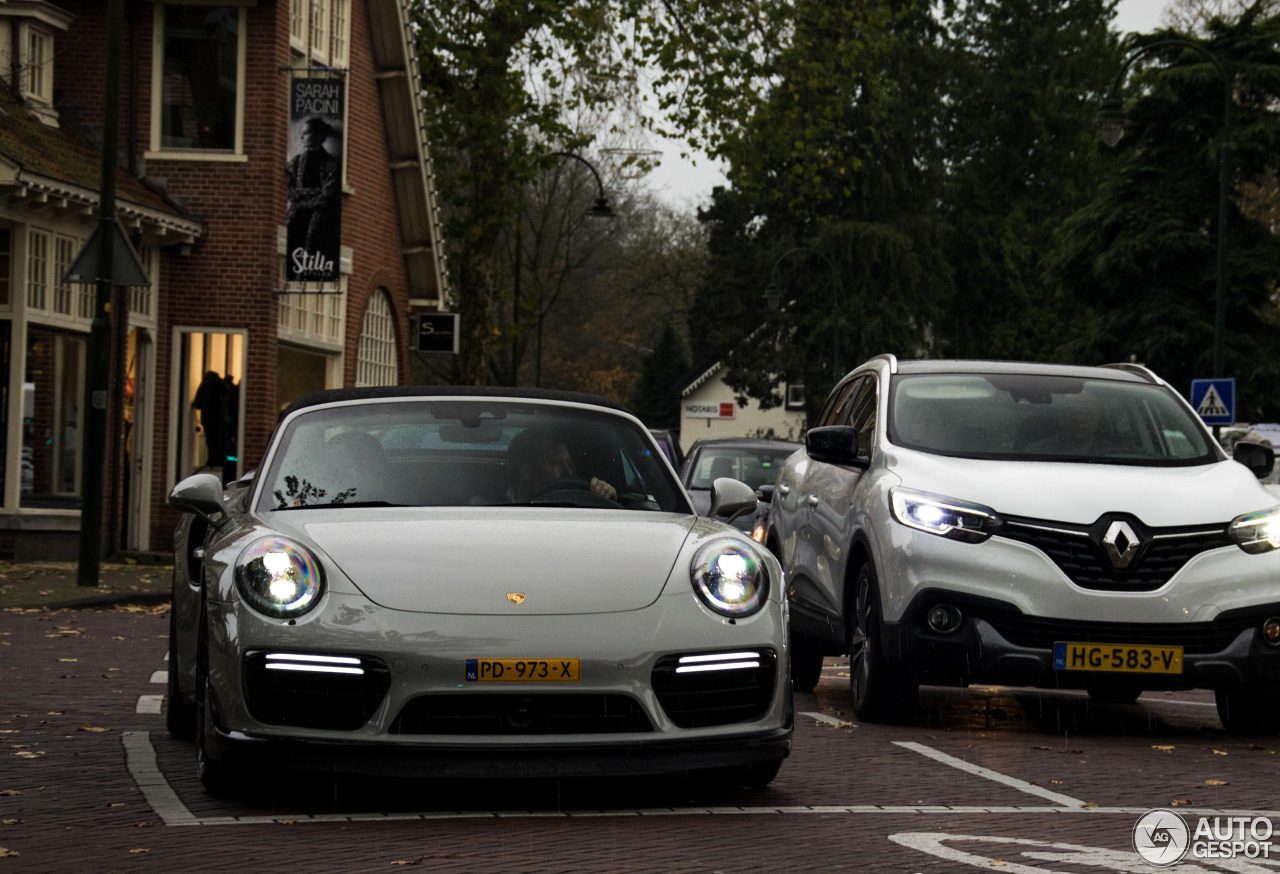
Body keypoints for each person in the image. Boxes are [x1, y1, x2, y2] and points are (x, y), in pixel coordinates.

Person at [285, 116, 341, 269]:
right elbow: (290, 192)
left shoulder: (330, 164)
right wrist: (314, 194)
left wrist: (301, 198)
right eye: (302, 133)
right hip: (296, 220)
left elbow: (327, 197)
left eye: (306, 133)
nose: (301, 136)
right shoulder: (296, 162)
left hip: (318, 223)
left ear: (319, 136)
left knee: (310, 258)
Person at [507, 428, 616, 502]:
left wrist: (604, 498)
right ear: (527, 472)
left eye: (568, 462)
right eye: (556, 463)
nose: (568, 472)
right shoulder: (495, 507)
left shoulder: (576, 502)